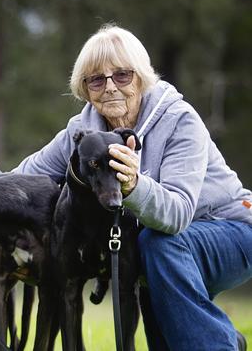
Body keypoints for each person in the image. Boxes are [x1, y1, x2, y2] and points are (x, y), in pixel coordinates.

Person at [13, 24, 251, 350]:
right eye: (97, 79)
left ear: (141, 76)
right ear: (85, 89)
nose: (110, 87)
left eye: (122, 75)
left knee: (156, 244)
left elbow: (178, 213)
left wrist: (134, 185)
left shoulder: (180, 119)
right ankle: (222, 338)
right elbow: (24, 177)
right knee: (150, 256)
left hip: (232, 229)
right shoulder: (81, 134)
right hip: (162, 250)